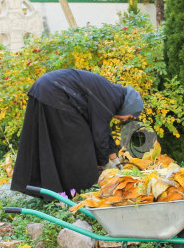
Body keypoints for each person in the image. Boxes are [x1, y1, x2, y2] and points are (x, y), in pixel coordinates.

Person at [11, 69, 144, 198]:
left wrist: (115, 160)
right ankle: (81, 194)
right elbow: (99, 136)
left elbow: (104, 131)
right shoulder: (110, 98)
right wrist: (105, 164)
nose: (126, 119)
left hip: (45, 89)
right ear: (128, 106)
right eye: (130, 115)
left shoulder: (110, 95)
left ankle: (59, 192)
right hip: (53, 92)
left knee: (59, 144)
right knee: (81, 144)